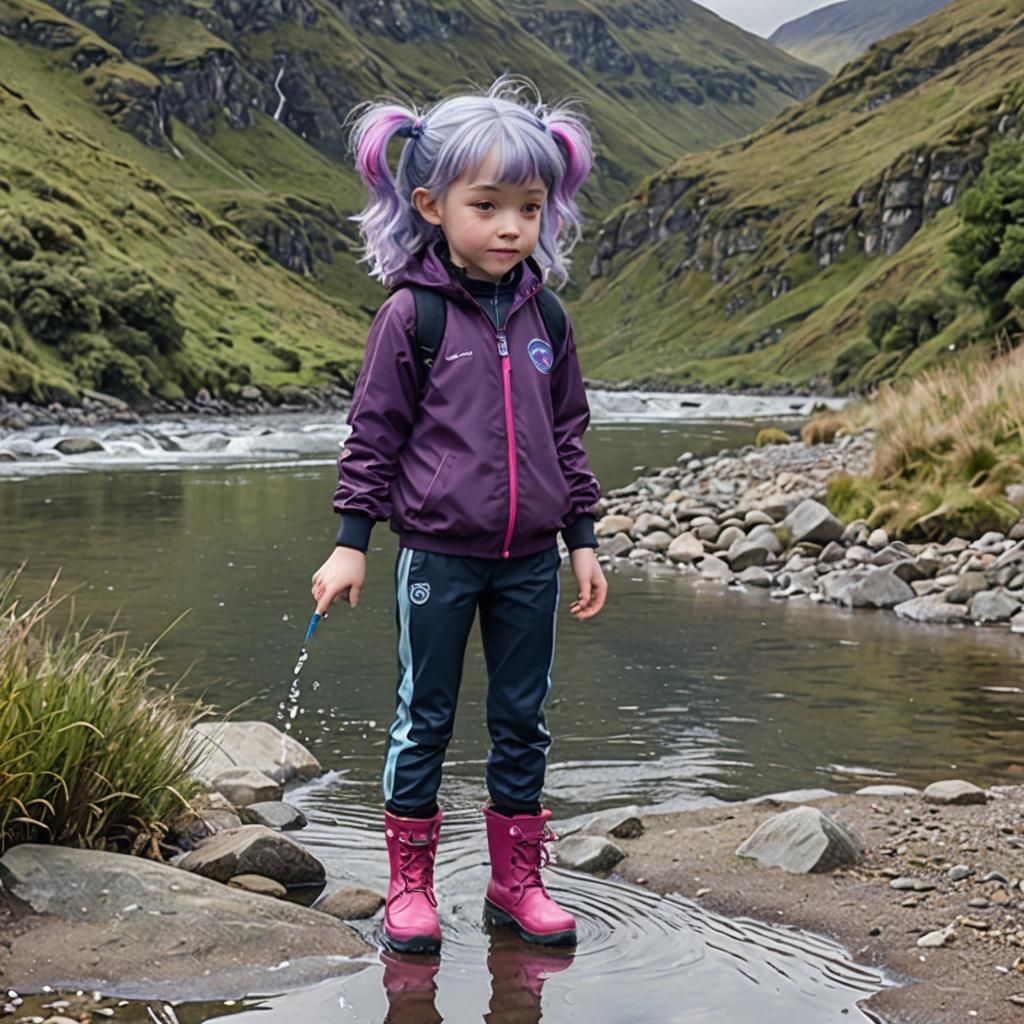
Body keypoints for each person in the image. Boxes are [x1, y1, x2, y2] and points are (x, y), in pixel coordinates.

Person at [311, 77, 607, 955]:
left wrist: (582, 540)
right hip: (437, 554)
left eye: (529, 205)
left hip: (530, 561)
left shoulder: (547, 313)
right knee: (424, 715)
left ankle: (517, 884)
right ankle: (410, 888)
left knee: (525, 717)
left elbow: (568, 435)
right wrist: (350, 545)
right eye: (488, 205)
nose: (512, 226)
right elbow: (373, 434)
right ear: (432, 204)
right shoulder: (413, 315)